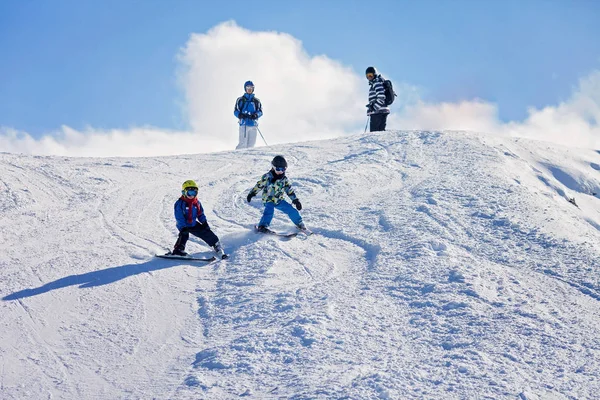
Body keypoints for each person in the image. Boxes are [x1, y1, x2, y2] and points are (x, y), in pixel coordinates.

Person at [246, 156, 307, 232]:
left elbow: (289, 190)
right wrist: (252, 193)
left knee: (291, 210)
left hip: (279, 200)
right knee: (269, 211)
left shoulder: (284, 179)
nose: (280, 171)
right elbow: (259, 185)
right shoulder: (267, 177)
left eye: (283, 169)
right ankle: (262, 226)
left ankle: (300, 224)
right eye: (278, 169)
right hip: (268, 199)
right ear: (273, 167)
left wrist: (295, 200)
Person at [172, 180, 227, 259]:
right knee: (184, 235)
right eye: (189, 193)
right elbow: (179, 217)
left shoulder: (196, 203)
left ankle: (216, 244)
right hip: (184, 224)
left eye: (194, 193)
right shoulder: (180, 203)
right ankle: (178, 250)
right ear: (184, 192)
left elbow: (200, 214)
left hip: (193, 223)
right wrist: (183, 227)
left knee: (205, 232)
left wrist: (204, 223)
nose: (192, 195)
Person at [234, 80, 263, 149]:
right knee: (243, 144)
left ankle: (247, 159)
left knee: (251, 146)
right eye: (248, 87)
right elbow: (236, 110)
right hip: (244, 124)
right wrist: (240, 115)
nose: (249, 89)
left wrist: (255, 115)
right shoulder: (240, 100)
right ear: (245, 88)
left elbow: (260, 111)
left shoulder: (256, 101)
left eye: (251, 88)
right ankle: (236, 157)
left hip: (253, 124)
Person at [365, 66, 390, 132]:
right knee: (380, 133)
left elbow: (381, 97)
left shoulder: (377, 83)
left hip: (378, 112)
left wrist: (373, 108)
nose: (369, 77)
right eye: (367, 76)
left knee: (374, 134)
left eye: (370, 75)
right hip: (382, 110)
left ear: (375, 74)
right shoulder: (378, 82)